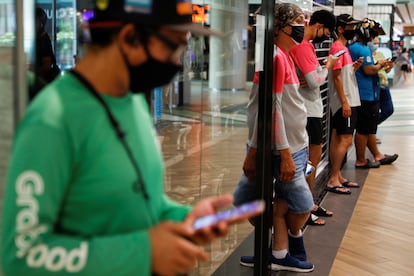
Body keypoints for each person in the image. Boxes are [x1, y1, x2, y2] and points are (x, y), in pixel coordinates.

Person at [1, 1, 248, 275]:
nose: (177, 60)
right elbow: (21, 257)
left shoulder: (131, 102)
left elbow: (138, 198)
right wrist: (144, 252)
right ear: (130, 36)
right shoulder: (52, 119)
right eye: (173, 45)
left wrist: (183, 218)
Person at [239, 3, 314, 272]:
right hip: (284, 148)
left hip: (294, 145)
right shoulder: (273, 57)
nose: (302, 26)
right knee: (299, 204)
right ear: (281, 26)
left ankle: (279, 253)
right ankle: (280, 247)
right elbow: (271, 108)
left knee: (286, 203)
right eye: (296, 21)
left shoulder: (285, 55)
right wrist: (277, 151)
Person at [289, 9, 337, 226]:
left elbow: (310, 79)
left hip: (310, 109)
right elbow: (315, 80)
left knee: (310, 162)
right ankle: (304, 208)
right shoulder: (303, 47)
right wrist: (327, 67)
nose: (326, 35)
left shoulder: (304, 47)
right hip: (309, 111)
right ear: (318, 25)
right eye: (326, 30)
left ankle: (308, 205)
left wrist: (317, 73)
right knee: (310, 161)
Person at [348, 18, 398, 169]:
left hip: (366, 93)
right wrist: (380, 65)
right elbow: (369, 70)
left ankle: (376, 155)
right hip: (366, 95)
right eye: (374, 34)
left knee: (367, 128)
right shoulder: (362, 49)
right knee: (363, 130)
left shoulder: (356, 47)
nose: (374, 38)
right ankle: (361, 159)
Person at [325, 14, 363, 194]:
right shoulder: (337, 47)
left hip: (344, 100)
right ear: (340, 29)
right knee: (346, 139)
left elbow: (342, 74)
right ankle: (333, 178)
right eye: (350, 27)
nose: (353, 30)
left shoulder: (343, 48)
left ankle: (337, 174)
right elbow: (336, 77)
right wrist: (345, 102)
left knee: (337, 138)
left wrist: (354, 67)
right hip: (345, 101)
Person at [367, 22, 395, 126]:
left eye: (378, 38)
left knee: (389, 109)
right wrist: (379, 65)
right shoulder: (366, 54)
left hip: (384, 84)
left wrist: (390, 66)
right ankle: (371, 132)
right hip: (375, 86)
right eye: (375, 38)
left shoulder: (380, 54)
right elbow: (369, 70)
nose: (376, 40)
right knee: (374, 111)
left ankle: (371, 127)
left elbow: (385, 71)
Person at [30, 7, 60, 100]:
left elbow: (46, 66)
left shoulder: (43, 39)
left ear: (40, 23)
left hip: (43, 85)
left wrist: (31, 71)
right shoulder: (38, 38)